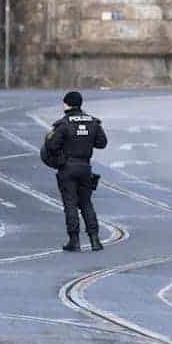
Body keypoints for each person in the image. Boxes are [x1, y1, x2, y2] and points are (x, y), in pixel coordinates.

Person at [45, 91, 108, 252]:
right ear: (80, 104)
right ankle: (95, 240)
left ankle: (74, 241)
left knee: (70, 204)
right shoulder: (93, 122)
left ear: (66, 104)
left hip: (68, 168)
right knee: (86, 203)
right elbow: (102, 143)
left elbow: (51, 146)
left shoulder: (63, 124)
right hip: (85, 167)